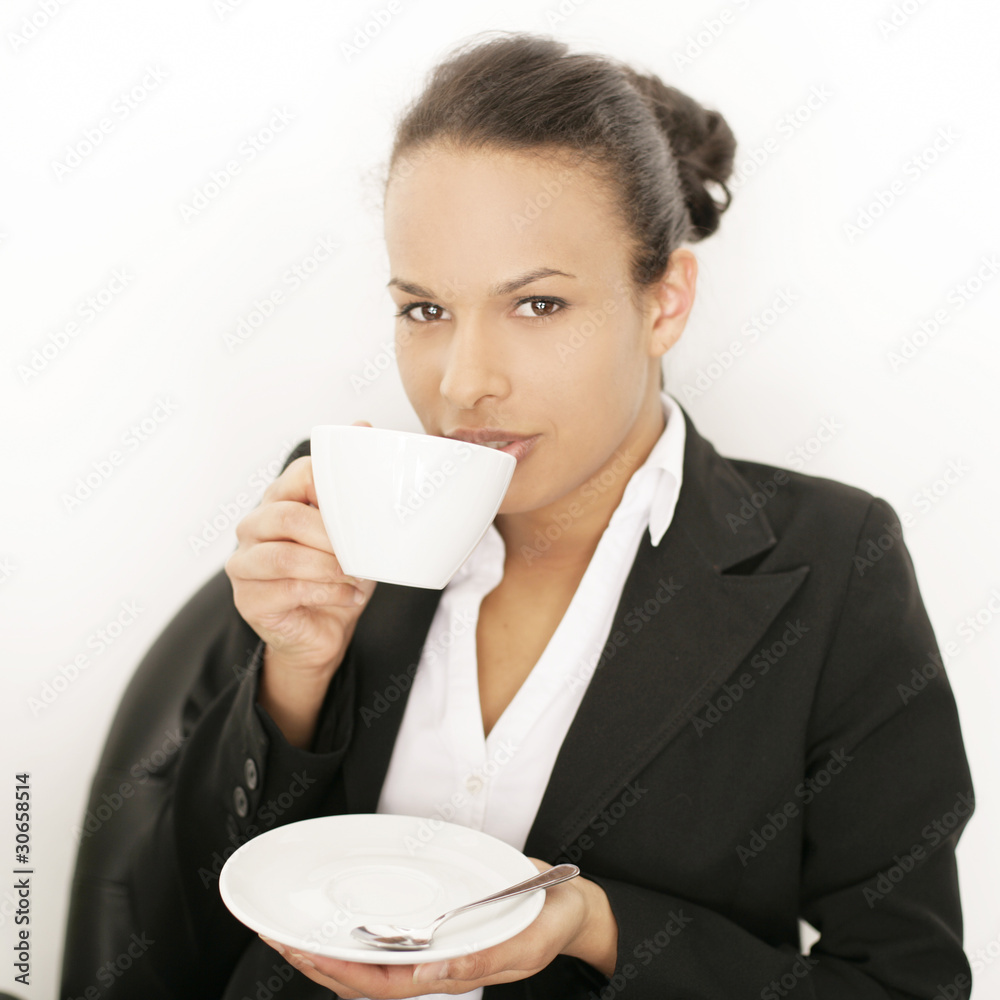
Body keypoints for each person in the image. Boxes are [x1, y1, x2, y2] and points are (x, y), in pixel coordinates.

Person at [112, 30, 974, 1000]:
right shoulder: (346, 503)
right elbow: (165, 937)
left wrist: (601, 929)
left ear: (664, 302)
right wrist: (292, 686)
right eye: (425, 310)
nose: (463, 383)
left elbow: (905, 983)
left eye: (536, 306)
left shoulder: (833, 567)